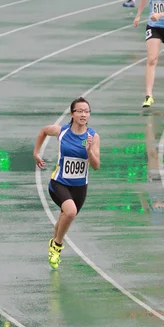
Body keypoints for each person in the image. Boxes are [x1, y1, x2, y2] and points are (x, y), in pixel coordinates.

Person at [33, 97, 101, 269]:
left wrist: (89, 152)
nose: (84, 114)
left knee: (64, 218)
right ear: (72, 114)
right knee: (69, 212)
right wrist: (36, 153)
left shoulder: (92, 136)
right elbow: (43, 131)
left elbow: (96, 166)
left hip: (80, 187)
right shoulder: (62, 131)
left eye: (87, 111)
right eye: (80, 111)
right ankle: (57, 246)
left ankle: (53, 240)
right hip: (59, 183)